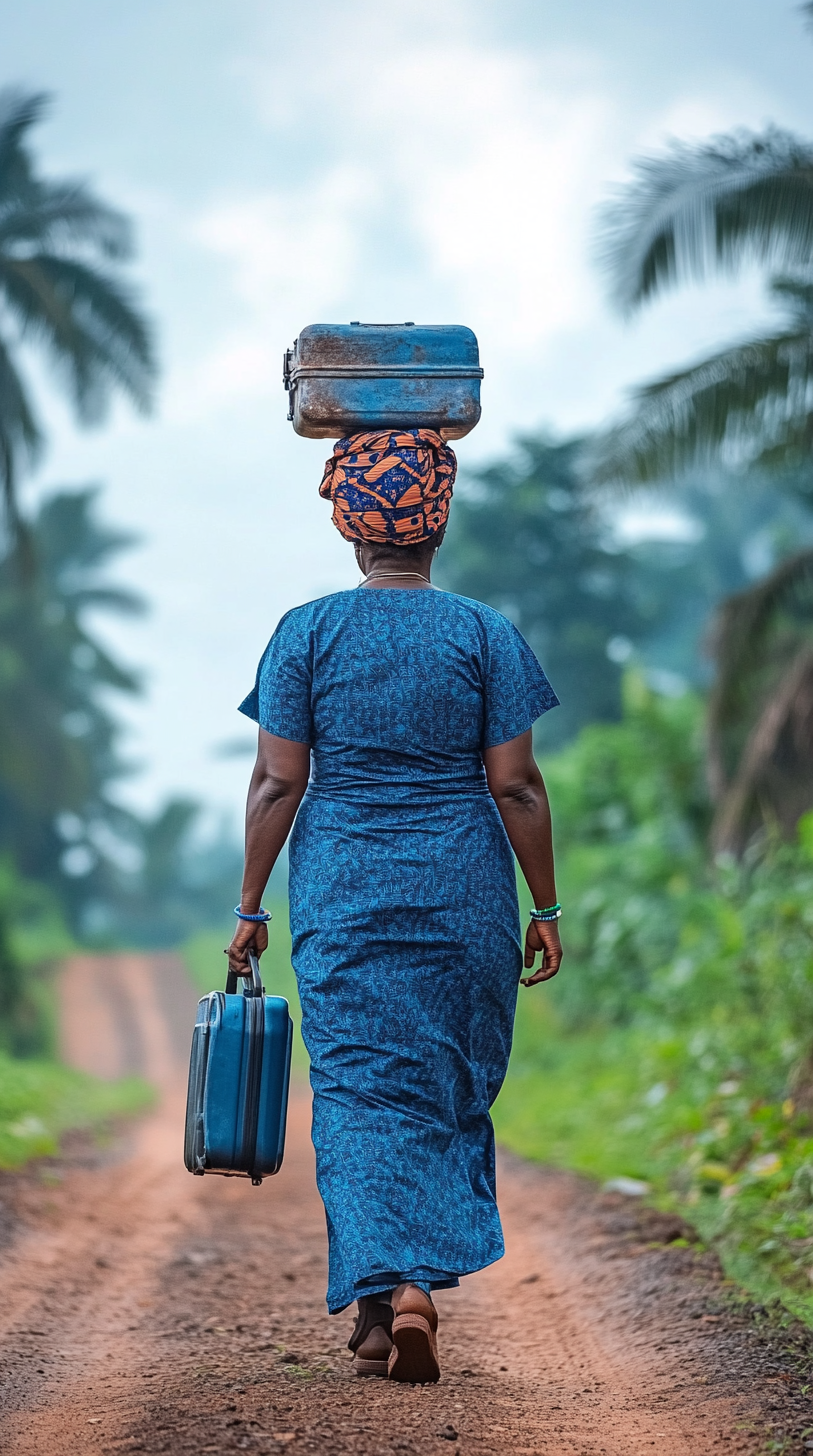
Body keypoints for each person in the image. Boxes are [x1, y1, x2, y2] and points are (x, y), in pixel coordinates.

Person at [228, 428, 563, 1385]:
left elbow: (275, 783)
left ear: (348, 526)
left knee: (357, 1089)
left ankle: (388, 1295)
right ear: (439, 521)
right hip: (465, 896)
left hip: (342, 896)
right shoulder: (484, 632)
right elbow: (519, 787)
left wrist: (251, 902)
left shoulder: (307, 631)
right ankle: (403, 1291)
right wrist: (545, 906)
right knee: (446, 1082)